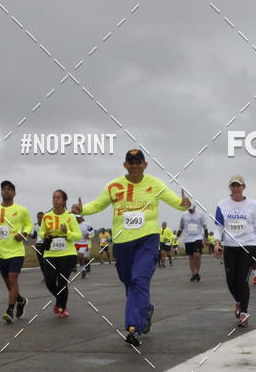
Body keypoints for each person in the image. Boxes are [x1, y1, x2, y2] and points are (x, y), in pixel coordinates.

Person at [73, 148, 190, 346]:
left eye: (138, 162)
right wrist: (81, 209)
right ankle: (145, 309)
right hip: (122, 242)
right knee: (128, 281)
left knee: (139, 280)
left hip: (147, 240)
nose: (135, 166)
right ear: (125, 165)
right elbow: (98, 205)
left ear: (145, 165)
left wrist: (184, 203)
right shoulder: (114, 186)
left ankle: (133, 327)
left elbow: (176, 202)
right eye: (131, 162)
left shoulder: (155, 184)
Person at [213, 175, 256, 327]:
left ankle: (244, 312)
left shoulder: (252, 204)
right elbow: (218, 226)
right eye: (233, 185)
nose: (235, 188)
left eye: (238, 185)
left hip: (248, 245)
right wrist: (216, 243)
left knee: (241, 278)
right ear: (230, 187)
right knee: (230, 280)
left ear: (243, 187)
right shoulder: (222, 204)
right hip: (230, 246)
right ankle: (239, 302)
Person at [0, 181, 32, 323]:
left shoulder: (22, 210)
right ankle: (21, 300)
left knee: (12, 279)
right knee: (9, 284)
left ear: (14, 193)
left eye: (9, 189)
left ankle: (10, 311)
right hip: (1, 252)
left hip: (17, 251)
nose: (6, 191)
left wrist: (24, 234)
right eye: (4, 189)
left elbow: (28, 224)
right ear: (1, 192)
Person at [40, 190, 81, 317]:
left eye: (58, 198)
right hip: (50, 253)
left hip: (67, 254)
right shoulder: (46, 216)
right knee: (50, 282)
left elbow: (78, 236)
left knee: (62, 282)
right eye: (53, 197)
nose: (55, 200)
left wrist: (67, 232)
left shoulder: (70, 217)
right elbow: (41, 232)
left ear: (64, 201)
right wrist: (44, 234)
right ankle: (59, 301)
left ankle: (63, 308)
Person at [177, 204, 208, 282]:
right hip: (188, 239)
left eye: (191, 209)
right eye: (188, 209)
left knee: (197, 255)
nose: (190, 210)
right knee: (191, 257)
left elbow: (205, 227)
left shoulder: (200, 214)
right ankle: (194, 274)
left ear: (194, 207)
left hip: (198, 237)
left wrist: (206, 238)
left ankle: (197, 272)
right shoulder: (184, 215)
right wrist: (177, 236)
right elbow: (181, 227)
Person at [71, 209, 94, 279]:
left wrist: (89, 236)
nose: (77, 218)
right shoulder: (73, 224)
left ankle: (84, 269)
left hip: (83, 243)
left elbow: (92, 232)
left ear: (81, 217)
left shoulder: (87, 225)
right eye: (76, 217)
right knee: (77, 258)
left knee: (81, 257)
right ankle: (83, 270)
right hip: (74, 243)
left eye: (78, 217)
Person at [30, 211, 46, 281]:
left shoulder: (47, 225)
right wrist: (29, 234)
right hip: (39, 245)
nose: (40, 219)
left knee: (47, 261)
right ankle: (45, 276)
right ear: (37, 218)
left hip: (46, 244)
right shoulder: (35, 225)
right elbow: (34, 236)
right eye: (39, 218)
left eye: (41, 218)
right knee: (41, 262)